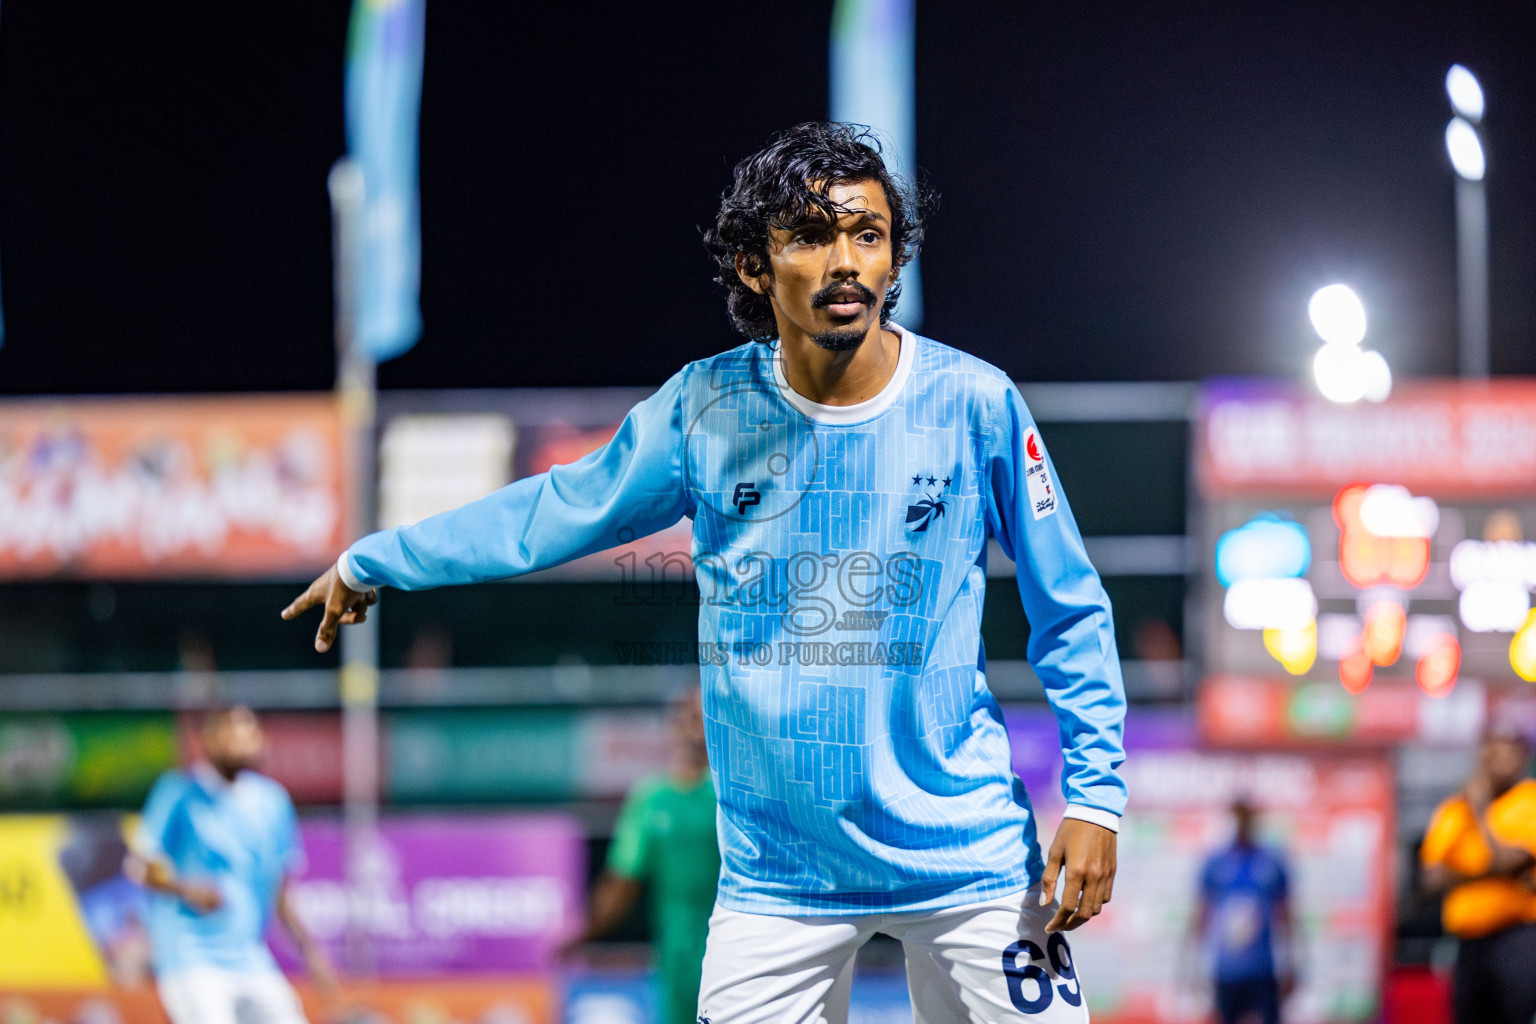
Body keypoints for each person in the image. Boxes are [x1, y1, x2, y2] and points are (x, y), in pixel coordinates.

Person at [283, 122, 1126, 1024]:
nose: (845, 260)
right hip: (778, 880)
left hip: (968, 858)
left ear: (892, 260)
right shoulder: (705, 408)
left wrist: (1098, 799)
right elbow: (552, 513)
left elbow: (1068, 607)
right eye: (811, 236)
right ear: (757, 269)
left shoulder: (976, 402)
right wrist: (378, 558)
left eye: (867, 235)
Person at [124, 705, 336, 1024]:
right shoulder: (179, 792)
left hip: (251, 959)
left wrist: (310, 952)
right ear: (208, 740)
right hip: (191, 959)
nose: (244, 739)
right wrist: (186, 888)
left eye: (249, 731)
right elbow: (138, 867)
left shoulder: (272, 801)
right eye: (233, 731)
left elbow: (278, 890)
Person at [562, 690, 721, 1023]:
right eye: (685, 715)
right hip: (675, 960)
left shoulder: (732, 792)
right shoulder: (650, 798)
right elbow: (622, 881)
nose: (694, 725)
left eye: (703, 715)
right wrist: (583, 934)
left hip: (736, 947)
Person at [1420, 722, 1536, 1024]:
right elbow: (1431, 878)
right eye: (1492, 749)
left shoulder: (1528, 800)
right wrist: (1491, 871)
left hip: (1518, 937)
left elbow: (1512, 862)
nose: (1499, 758)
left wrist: (1482, 810)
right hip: (1468, 942)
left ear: (1523, 757)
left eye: (1508, 750)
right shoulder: (1455, 809)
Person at [1193, 800, 1298, 1024]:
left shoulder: (1271, 861)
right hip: (1226, 972)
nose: (1242, 824)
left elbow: (1287, 917)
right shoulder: (1216, 862)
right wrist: (1193, 967)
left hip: (1263, 970)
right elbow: (1201, 917)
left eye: (1247, 818)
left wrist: (1292, 963)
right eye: (1238, 818)